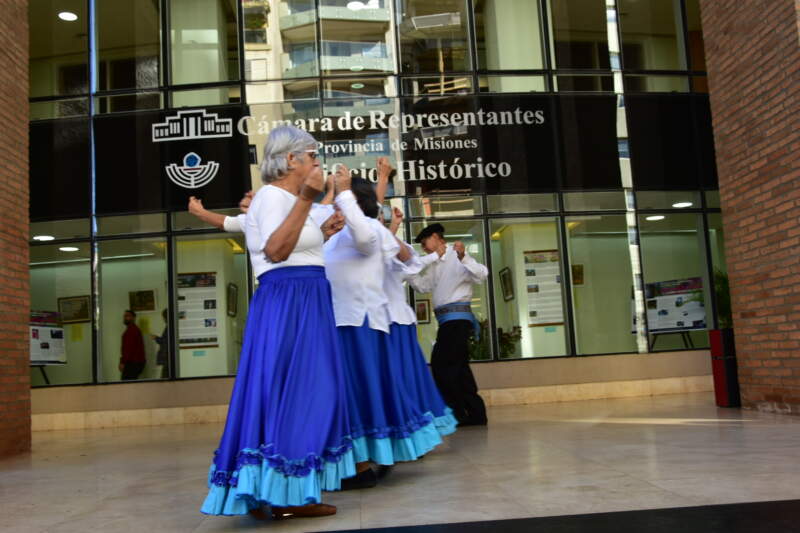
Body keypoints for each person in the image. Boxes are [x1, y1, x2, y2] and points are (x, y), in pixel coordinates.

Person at [201, 125, 357, 520]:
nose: (318, 164)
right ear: (291, 160)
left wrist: (321, 230)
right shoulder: (273, 196)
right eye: (313, 157)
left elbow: (292, 245)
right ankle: (285, 494)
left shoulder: (285, 200)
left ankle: (280, 491)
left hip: (303, 296)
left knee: (297, 391)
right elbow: (275, 249)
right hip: (291, 299)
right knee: (303, 391)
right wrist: (308, 198)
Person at [320, 165, 444, 479]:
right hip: (340, 323)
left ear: (353, 200)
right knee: (352, 393)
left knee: (362, 392)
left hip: (360, 322)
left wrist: (349, 193)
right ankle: (366, 459)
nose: (336, 202)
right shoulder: (337, 233)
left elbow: (369, 235)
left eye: (341, 197)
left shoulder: (367, 229)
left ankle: (366, 462)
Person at [409, 224, 489, 426]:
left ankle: (458, 412)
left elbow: (482, 274)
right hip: (447, 323)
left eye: (425, 243)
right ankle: (475, 413)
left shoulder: (457, 253)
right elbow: (421, 286)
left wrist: (464, 257)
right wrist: (406, 270)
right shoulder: (435, 264)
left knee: (442, 366)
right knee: (459, 368)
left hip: (458, 321)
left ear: (436, 237)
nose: (424, 248)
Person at [119, 310, 146, 381]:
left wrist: (122, 362)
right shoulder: (132, 330)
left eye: (127, 316)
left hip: (133, 363)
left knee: (126, 386)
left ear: (133, 318)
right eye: (124, 316)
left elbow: (128, 349)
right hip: (135, 363)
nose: (125, 318)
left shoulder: (132, 330)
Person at [151, 309, 169, 379]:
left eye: (163, 317)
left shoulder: (169, 327)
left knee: (164, 378)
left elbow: (165, 342)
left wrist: (156, 338)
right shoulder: (169, 326)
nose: (163, 319)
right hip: (168, 358)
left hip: (167, 358)